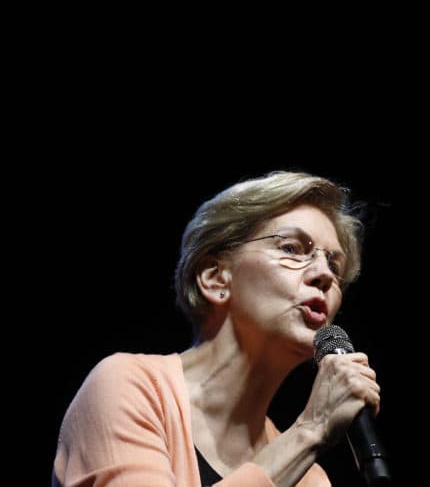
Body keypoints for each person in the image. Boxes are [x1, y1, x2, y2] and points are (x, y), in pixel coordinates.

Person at [52, 170, 382, 486]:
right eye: (292, 249)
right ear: (215, 278)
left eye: (334, 266)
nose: (324, 274)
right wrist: (312, 429)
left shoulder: (311, 479)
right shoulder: (128, 388)